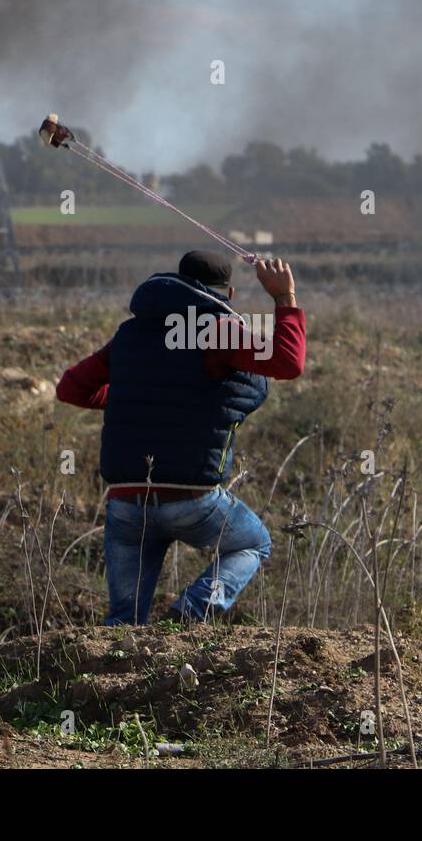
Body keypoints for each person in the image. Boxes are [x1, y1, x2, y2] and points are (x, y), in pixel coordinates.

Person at [56, 250, 306, 624]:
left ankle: (106, 679)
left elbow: (71, 388)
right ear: (228, 293)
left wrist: (139, 397)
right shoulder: (216, 329)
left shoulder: (129, 334)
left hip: (126, 503)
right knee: (253, 542)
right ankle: (192, 610)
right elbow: (289, 362)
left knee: (123, 622)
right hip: (191, 502)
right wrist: (284, 297)